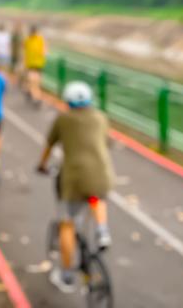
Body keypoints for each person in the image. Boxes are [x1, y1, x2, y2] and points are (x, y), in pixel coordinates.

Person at [37, 81, 114, 294]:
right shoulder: (100, 118)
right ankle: (102, 230)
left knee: (67, 225)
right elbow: (106, 142)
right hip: (101, 175)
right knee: (96, 197)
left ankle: (67, 274)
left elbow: (49, 145)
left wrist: (42, 165)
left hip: (74, 179)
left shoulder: (63, 119)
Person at [23, 25, 46, 106]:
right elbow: (43, 52)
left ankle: (35, 96)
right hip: (33, 65)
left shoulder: (37, 40)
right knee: (34, 81)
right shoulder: (34, 40)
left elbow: (43, 51)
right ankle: (34, 95)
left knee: (34, 81)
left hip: (35, 65)